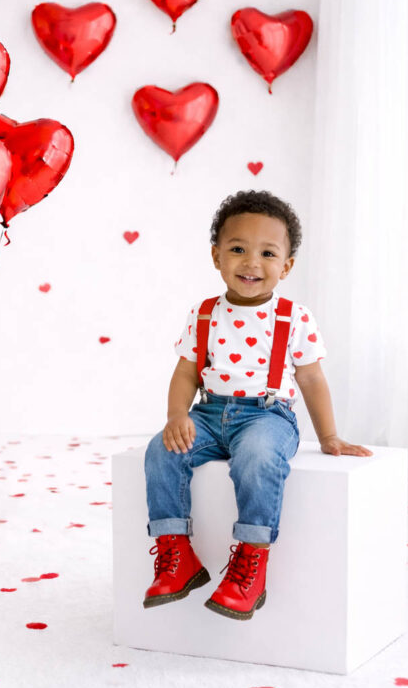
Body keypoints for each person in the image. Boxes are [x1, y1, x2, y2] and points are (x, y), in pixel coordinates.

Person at [143, 190, 372, 621]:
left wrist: (328, 436)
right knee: (162, 450)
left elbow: (310, 378)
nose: (251, 263)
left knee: (259, 456)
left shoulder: (294, 317)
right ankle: (177, 555)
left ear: (286, 266)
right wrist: (177, 415)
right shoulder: (204, 313)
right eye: (237, 249)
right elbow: (186, 372)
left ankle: (251, 562)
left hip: (267, 415)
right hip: (209, 414)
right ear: (216, 256)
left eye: (267, 253)